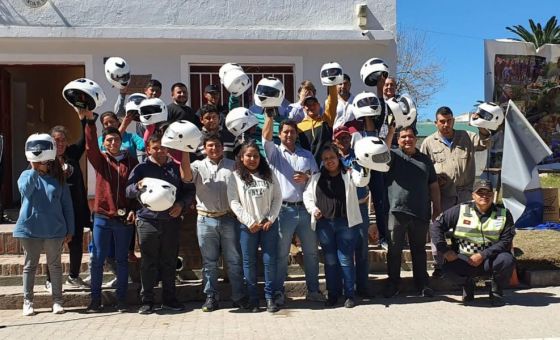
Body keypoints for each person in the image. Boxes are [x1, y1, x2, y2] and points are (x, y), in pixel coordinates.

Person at [419, 106, 491, 277]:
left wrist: (480, 124)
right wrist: (435, 178)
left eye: (449, 120)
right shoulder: (428, 142)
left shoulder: (466, 136)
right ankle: (439, 264)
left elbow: (484, 142)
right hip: (442, 195)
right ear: (436, 123)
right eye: (442, 121)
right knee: (438, 228)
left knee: (467, 229)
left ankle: (466, 263)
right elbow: (423, 169)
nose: (446, 124)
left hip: (465, 193)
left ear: (453, 121)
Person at [126, 132, 193, 314]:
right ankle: (147, 301)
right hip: (147, 221)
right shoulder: (140, 169)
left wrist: (181, 204)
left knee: (169, 261)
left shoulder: (176, 168)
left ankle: (169, 299)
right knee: (148, 262)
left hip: (171, 221)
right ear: (148, 149)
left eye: (163, 147)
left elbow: (188, 192)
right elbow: (128, 191)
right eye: (155, 147)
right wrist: (136, 186)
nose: (160, 151)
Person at [181, 134, 248, 312]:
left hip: (228, 218)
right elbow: (186, 177)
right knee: (209, 262)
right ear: (204, 148)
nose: (214, 148)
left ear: (222, 146)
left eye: (217, 145)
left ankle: (239, 296)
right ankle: (211, 297)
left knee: (233, 260)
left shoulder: (233, 165)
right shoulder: (197, 165)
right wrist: (185, 151)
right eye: (210, 145)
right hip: (205, 218)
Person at [262, 115, 324, 306]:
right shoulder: (274, 153)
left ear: (297, 134)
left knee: (312, 252)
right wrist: (269, 116)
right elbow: (265, 138)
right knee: (281, 254)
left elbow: (316, 176)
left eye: (292, 131)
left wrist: (306, 177)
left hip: (305, 209)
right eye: (285, 131)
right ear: (279, 134)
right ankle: (279, 292)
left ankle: (313, 291)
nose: (289, 135)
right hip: (284, 210)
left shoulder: (306, 154)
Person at [84, 109, 138, 313]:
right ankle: (95, 300)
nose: (113, 143)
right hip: (102, 217)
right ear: (104, 143)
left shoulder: (131, 162)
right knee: (97, 259)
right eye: (109, 141)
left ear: (121, 140)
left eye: (116, 140)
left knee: (122, 260)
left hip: (123, 219)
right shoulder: (100, 161)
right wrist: (89, 123)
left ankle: (121, 300)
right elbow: (90, 147)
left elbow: (136, 189)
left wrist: (133, 209)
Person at [303, 144, 370, 308]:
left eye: (332, 158)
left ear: (338, 157)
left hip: (346, 223)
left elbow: (362, 181)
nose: (329, 161)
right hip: (324, 224)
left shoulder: (349, 174)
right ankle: (333, 294)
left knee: (346, 259)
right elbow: (308, 196)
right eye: (325, 159)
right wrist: (313, 210)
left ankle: (349, 294)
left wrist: (366, 165)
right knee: (330, 260)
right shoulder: (316, 178)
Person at [14, 134, 74, 316]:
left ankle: (57, 301)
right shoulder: (26, 175)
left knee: (54, 266)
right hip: (29, 229)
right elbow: (25, 191)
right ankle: (28, 301)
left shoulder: (59, 179)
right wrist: (33, 168)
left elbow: (67, 206)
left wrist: (70, 229)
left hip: (54, 229)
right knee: (30, 266)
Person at [430, 180, 515, 306]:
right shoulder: (460, 210)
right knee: (447, 268)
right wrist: (445, 250)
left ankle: (496, 290)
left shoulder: (503, 213)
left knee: (507, 260)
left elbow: (506, 240)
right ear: (473, 195)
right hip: (465, 258)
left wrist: (483, 255)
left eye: (488, 193)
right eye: (480, 193)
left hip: (491, 258)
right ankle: (467, 284)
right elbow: (436, 226)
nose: (484, 196)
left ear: (493, 195)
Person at [383, 126, 441, 298]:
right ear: (398, 140)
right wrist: (391, 131)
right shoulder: (392, 156)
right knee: (394, 250)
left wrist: (436, 207)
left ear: (416, 138)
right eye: (403, 137)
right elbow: (382, 151)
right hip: (397, 211)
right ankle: (393, 284)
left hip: (420, 211)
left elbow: (434, 185)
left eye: (410, 136)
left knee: (419, 250)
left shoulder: (425, 160)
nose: (407, 140)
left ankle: (422, 284)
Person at [227, 140, 282, 313]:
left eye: (256, 156)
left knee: (269, 261)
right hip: (247, 227)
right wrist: (249, 222)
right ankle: (253, 299)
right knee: (248, 263)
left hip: (268, 226)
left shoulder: (269, 174)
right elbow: (234, 202)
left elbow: (278, 198)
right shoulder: (235, 176)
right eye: (248, 156)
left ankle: (269, 298)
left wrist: (270, 219)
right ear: (241, 158)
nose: (252, 159)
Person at [46, 113, 92, 290]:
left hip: (76, 208)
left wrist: (83, 119)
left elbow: (84, 138)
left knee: (76, 243)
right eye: (56, 140)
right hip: (55, 210)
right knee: (54, 245)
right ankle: (50, 280)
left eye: (63, 140)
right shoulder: (44, 159)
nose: (60, 143)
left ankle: (73, 276)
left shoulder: (72, 153)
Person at [332, 125, 377, 297]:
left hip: (360, 207)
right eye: (339, 138)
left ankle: (363, 287)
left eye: (346, 138)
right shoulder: (331, 158)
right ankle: (345, 286)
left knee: (362, 249)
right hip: (340, 210)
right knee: (344, 250)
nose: (343, 141)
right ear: (334, 141)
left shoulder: (359, 156)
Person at [297, 92, 337, 165]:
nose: (311, 107)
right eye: (308, 105)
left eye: (314, 104)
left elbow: (333, 101)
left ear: (319, 106)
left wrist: (332, 82)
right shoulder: (298, 127)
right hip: (308, 167)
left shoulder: (326, 120)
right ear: (303, 108)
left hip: (326, 165)